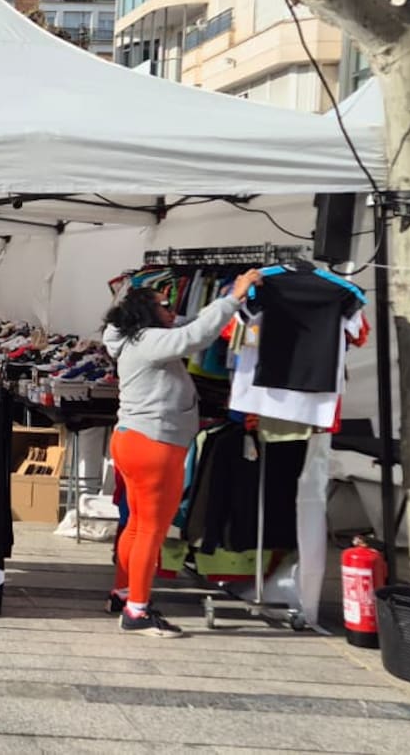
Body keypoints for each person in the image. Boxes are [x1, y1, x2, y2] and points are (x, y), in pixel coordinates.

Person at [101, 269, 263, 638]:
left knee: (136, 525)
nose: (171, 309)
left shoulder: (131, 337)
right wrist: (233, 297)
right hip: (155, 444)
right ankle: (137, 611)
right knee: (151, 531)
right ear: (147, 313)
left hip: (132, 439)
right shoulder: (151, 341)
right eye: (164, 305)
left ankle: (123, 594)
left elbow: (190, 324)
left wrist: (224, 306)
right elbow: (194, 336)